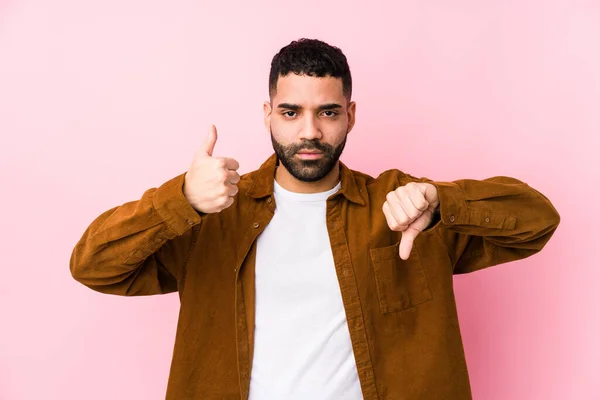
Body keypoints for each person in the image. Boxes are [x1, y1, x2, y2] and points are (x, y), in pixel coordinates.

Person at [69, 38, 561, 400]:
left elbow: (538, 220)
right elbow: (93, 265)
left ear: (350, 114)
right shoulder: (213, 216)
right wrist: (180, 200)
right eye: (290, 112)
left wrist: (441, 202)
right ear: (267, 115)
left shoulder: (402, 205)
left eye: (327, 113)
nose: (310, 131)